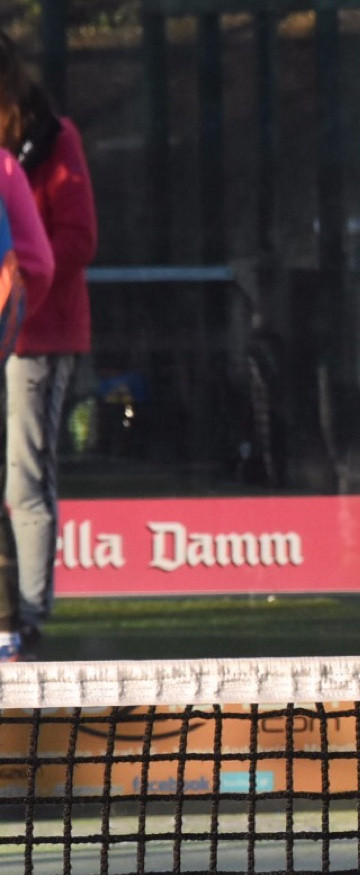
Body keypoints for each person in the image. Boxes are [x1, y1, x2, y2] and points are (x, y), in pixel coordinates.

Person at [0, 35, 94, 661]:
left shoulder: (54, 140)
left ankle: (26, 617)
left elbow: (76, 238)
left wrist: (17, 299)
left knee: (25, 473)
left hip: (37, 335)